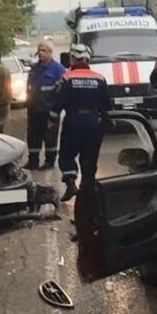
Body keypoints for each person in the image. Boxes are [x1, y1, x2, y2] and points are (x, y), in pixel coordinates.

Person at [49, 44, 111, 202]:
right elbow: (107, 104)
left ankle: (70, 182)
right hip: (93, 122)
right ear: (87, 59)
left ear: (73, 59)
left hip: (73, 121)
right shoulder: (99, 78)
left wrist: (51, 121)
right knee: (89, 156)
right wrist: (107, 121)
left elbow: (57, 102)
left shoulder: (66, 77)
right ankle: (88, 189)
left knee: (67, 154)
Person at [25, 40, 66, 169]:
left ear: (50, 52)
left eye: (44, 51)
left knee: (50, 138)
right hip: (34, 110)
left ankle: (50, 161)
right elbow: (29, 87)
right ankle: (33, 161)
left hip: (49, 111)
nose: (41, 53)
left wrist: (55, 111)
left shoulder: (58, 69)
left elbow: (62, 92)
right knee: (33, 137)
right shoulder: (35, 68)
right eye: (39, 50)